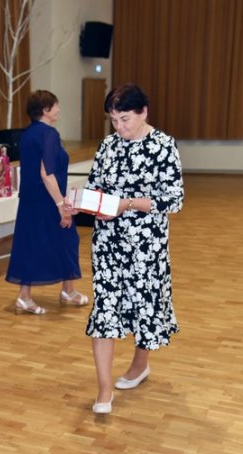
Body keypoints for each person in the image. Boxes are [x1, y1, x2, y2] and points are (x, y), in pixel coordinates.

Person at [82, 83, 184, 414]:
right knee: (105, 309)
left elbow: (174, 199)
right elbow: (95, 186)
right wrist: (84, 203)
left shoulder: (163, 145)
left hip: (146, 246)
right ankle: (104, 390)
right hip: (108, 243)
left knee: (145, 307)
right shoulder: (108, 145)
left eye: (125, 119)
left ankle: (140, 364)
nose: (119, 127)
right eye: (113, 120)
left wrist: (125, 203)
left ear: (144, 112)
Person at [5, 90, 87, 314]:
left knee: (30, 244)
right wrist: (61, 206)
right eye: (56, 106)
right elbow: (46, 174)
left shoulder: (27, 134)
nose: (59, 110)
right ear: (46, 110)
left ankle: (28, 295)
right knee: (68, 239)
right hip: (47, 200)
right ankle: (65, 291)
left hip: (30, 200)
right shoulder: (49, 133)